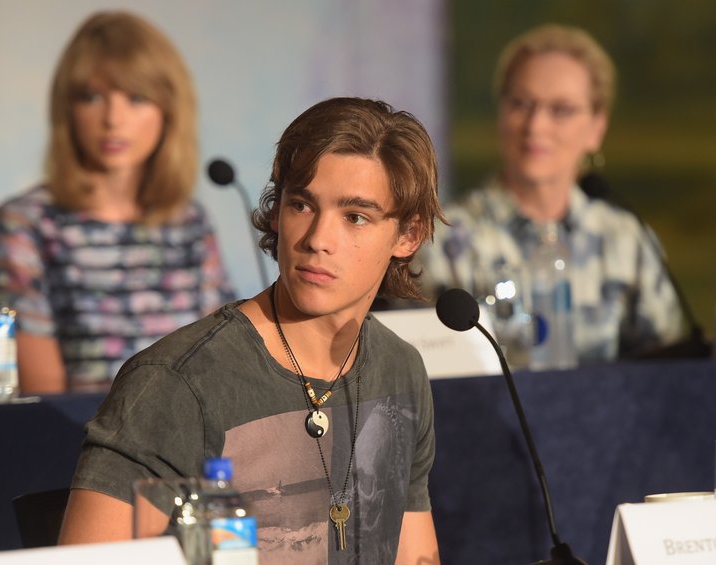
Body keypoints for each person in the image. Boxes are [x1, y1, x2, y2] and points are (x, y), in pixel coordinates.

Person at [58, 97, 443, 564]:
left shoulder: (399, 369)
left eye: (355, 216)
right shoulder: (174, 384)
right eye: (301, 204)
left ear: (408, 235)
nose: (317, 239)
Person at [0, 11, 235, 394]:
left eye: (136, 97)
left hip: (189, 446)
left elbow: (220, 369)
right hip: (76, 446)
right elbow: (43, 402)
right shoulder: (26, 223)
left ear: (169, 111)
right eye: (92, 97)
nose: (113, 119)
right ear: (67, 110)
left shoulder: (190, 222)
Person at [421, 23, 683, 364]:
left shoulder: (628, 240)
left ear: (596, 129)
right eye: (520, 103)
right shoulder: (442, 239)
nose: (536, 126)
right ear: (500, 112)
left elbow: (673, 377)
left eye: (561, 110)